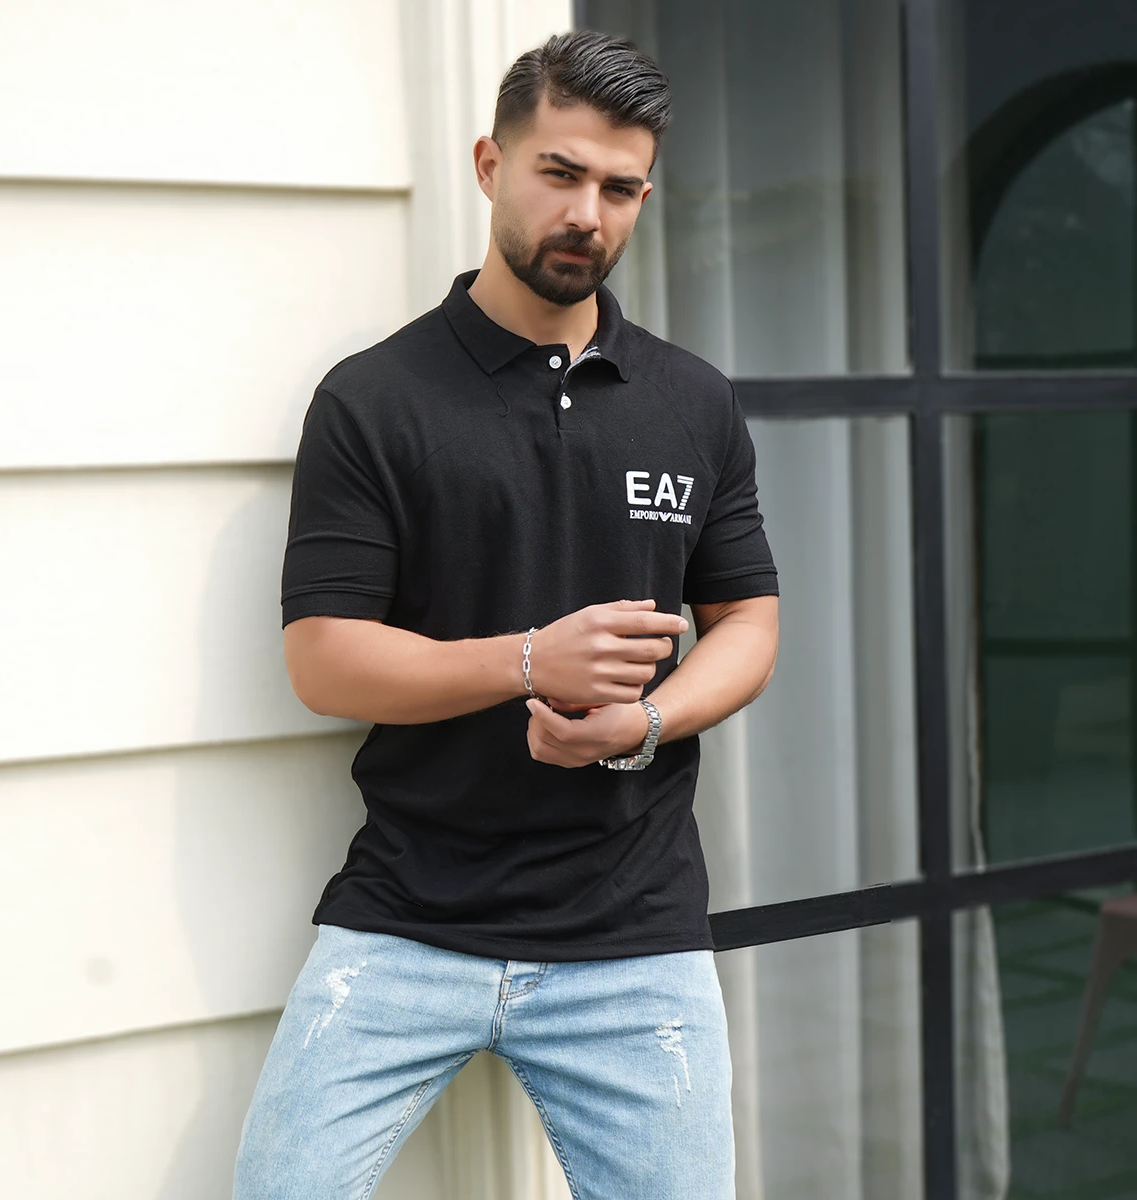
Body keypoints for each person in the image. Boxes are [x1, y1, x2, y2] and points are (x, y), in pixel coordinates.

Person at [233, 28, 778, 1200]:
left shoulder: (693, 402)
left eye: (619, 188)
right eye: (559, 173)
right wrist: (532, 658)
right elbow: (323, 661)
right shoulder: (374, 400)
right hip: (406, 920)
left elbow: (748, 622)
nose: (587, 214)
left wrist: (644, 722)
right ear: (491, 165)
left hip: (634, 937)